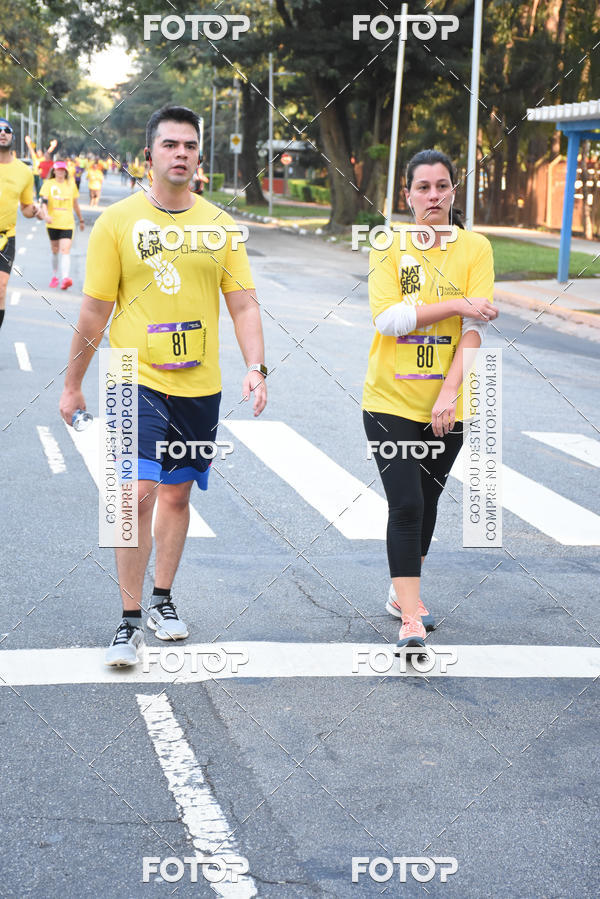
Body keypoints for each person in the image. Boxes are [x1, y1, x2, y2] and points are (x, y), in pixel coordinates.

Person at [59, 104, 268, 668]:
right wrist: (72, 384)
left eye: (190, 146)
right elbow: (94, 312)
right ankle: (128, 621)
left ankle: (162, 599)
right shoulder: (117, 222)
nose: (181, 154)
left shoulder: (220, 226)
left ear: (200, 156)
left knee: (176, 495)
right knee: (134, 494)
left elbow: (244, 304)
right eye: (170, 145)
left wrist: (257, 366)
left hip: (200, 385)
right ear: (148, 154)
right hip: (133, 377)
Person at [362, 149, 498, 655]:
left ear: (453, 192)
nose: (434, 196)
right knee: (407, 504)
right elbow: (389, 319)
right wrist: (459, 302)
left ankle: (403, 593)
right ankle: (410, 618)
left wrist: (448, 393)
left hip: (449, 403)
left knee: (430, 500)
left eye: (442, 186)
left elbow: (475, 330)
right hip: (390, 399)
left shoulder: (476, 248)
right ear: (408, 195)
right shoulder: (388, 245)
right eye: (423, 187)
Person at [0, 118, 39, 331]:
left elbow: (25, 208)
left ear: (12, 136)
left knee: (1, 288)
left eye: (6, 130)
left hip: (5, 238)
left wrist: (35, 211)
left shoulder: (24, 172)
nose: (2, 133)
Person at [38, 161, 85, 289]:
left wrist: (81, 220)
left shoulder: (71, 184)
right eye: (58, 170)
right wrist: (45, 215)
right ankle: (55, 276)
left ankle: (65, 278)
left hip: (67, 223)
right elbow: (44, 202)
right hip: (52, 222)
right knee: (55, 250)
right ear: (54, 171)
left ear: (66, 172)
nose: (60, 172)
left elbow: (75, 204)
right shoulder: (48, 184)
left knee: (65, 250)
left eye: (62, 170)